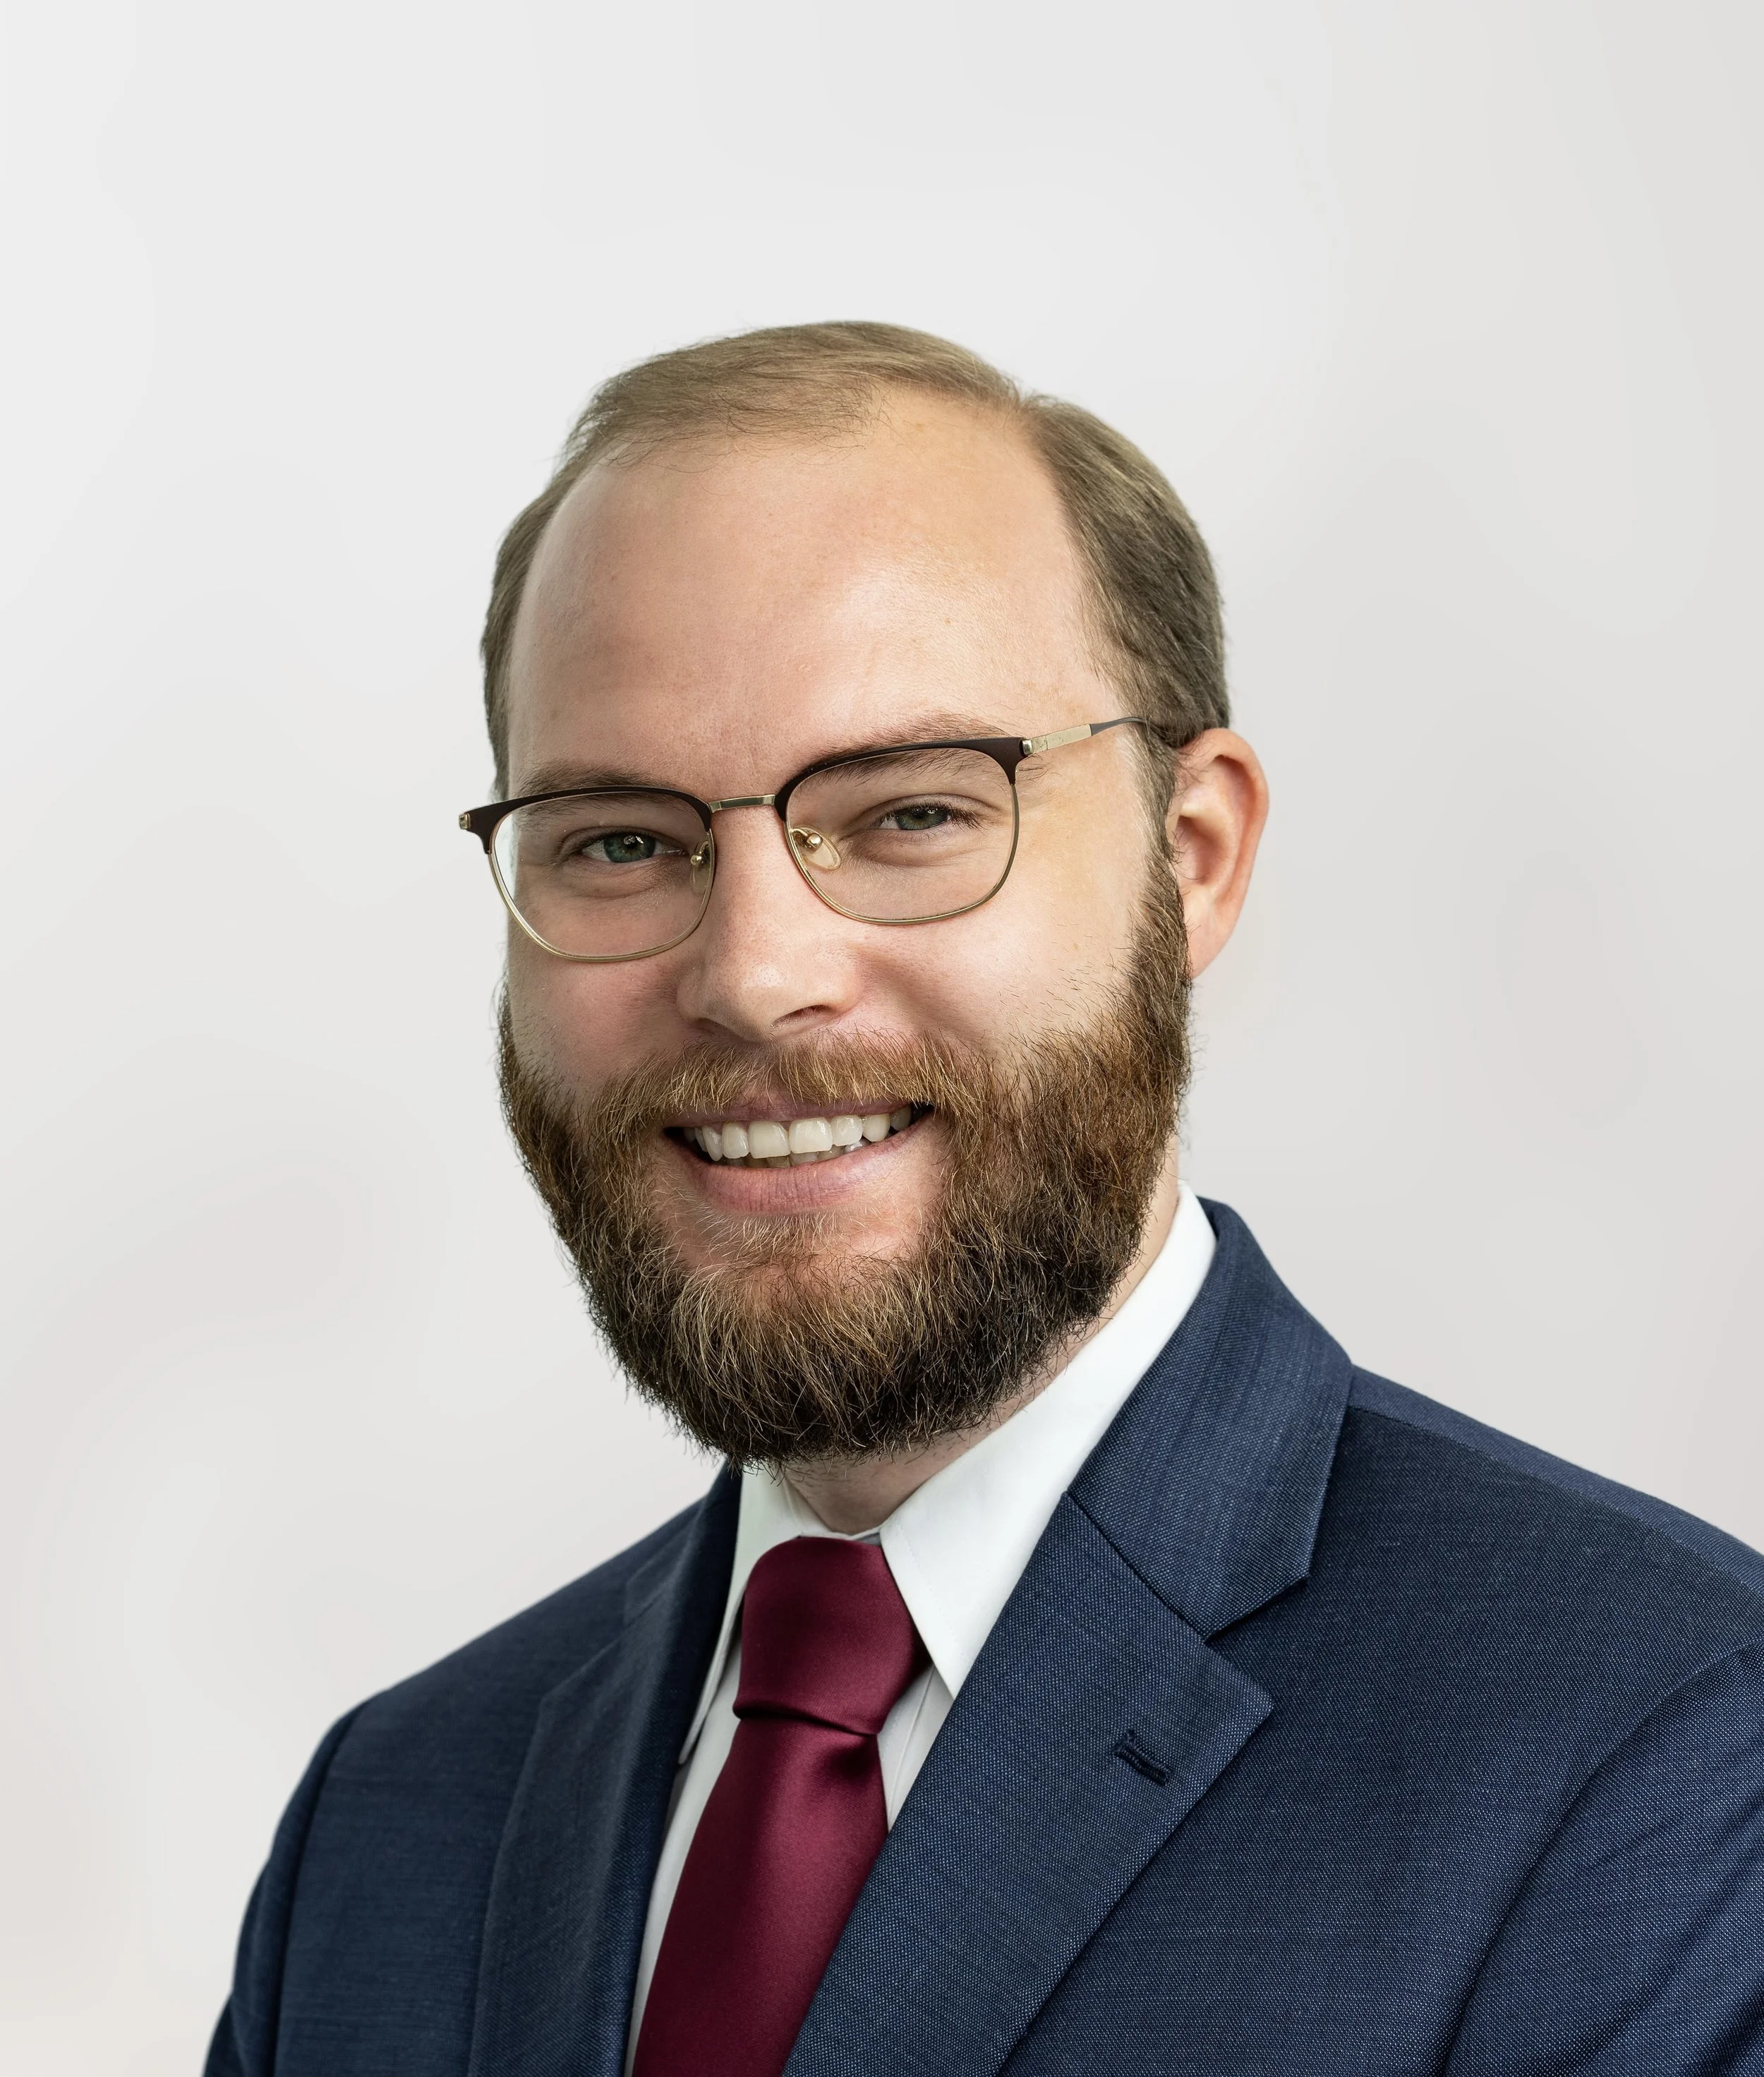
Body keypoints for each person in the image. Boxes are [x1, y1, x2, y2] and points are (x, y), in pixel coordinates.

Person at [206, 323, 1764, 2077]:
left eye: (911, 813)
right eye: (620, 839)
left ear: (1194, 862)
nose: (755, 973)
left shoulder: (1662, 1760)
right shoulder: (389, 1822)